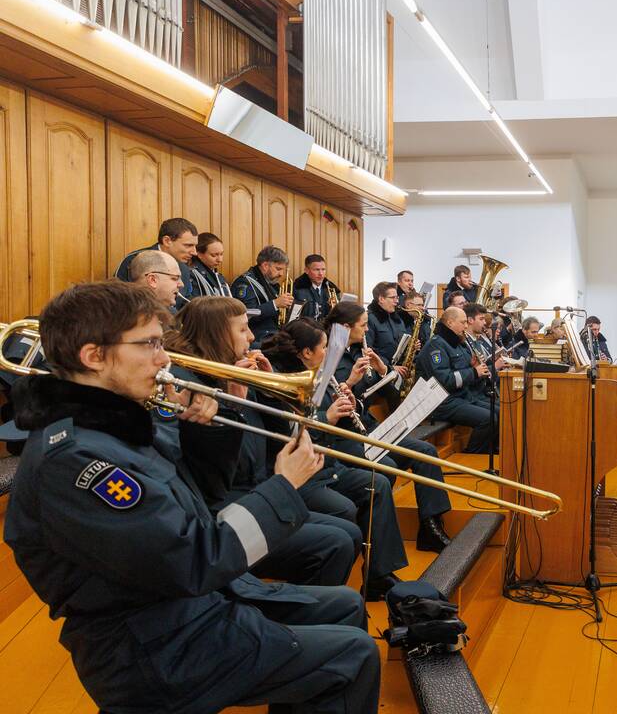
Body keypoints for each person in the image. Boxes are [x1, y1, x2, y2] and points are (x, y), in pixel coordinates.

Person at [3, 280, 379, 713]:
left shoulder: (110, 425)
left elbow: (202, 496)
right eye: (148, 345)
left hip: (187, 610)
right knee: (352, 655)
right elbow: (195, 559)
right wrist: (284, 485)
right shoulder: (77, 461)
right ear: (93, 356)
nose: (164, 359)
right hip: (153, 649)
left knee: (346, 607)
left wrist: (207, 431)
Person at [162, 297, 362, 587]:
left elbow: (278, 440)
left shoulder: (238, 369)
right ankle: (305, 612)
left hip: (256, 487)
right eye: (243, 330)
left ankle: (317, 609)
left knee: (349, 533)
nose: (253, 336)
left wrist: (271, 391)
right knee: (335, 542)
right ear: (217, 333)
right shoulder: (189, 384)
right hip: (224, 504)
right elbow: (222, 470)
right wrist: (238, 404)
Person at [262, 318, 409, 598]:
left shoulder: (317, 372)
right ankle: (327, 591)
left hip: (326, 464)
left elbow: (329, 418)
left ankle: (379, 575)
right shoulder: (285, 379)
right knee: (344, 509)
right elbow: (286, 432)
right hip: (302, 473)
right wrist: (326, 416)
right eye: (324, 347)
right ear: (306, 352)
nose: (329, 353)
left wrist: (347, 399)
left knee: (377, 482)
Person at [325, 302, 454, 552]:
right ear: (343, 327)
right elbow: (330, 404)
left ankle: (431, 527)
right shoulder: (330, 356)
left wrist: (383, 369)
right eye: (362, 326)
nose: (366, 330)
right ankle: (376, 540)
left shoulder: (357, 350)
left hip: (369, 426)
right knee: (387, 468)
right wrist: (350, 382)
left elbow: (390, 393)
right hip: (345, 435)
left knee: (426, 453)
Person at [416, 307, 497, 454]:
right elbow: (444, 380)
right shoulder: (436, 345)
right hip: (442, 402)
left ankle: (492, 450)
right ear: (450, 323)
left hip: (461, 396)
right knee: (488, 418)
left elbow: (464, 369)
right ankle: (473, 455)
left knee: (498, 411)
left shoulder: (457, 342)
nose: (466, 326)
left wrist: (475, 367)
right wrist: (474, 372)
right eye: (463, 322)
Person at [115, 217, 197, 308]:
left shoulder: (184, 267)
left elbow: (184, 302)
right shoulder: (134, 260)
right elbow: (121, 300)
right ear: (167, 241)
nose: (194, 252)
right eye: (188, 245)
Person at [233, 245, 293, 345]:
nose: (281, 274)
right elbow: (247, 314)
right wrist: (275, 304)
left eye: (283, 270)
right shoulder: (245, 283)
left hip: (272, 333)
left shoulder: (271, 282)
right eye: (278, 269)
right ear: (265, 266)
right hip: (257, 336)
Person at [365, 281, 409, 381]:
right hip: (381, 375)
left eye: (397, 297)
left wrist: (411, 346)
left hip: (399, 372)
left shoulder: (397, 319)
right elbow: (368, 350)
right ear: (381, 299)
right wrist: (390, 367)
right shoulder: (369, 318)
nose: (397, 301)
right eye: (393, 297)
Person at [294, 254, 342, 321]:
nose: (321, 273)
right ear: (306, 270)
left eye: (323, 269)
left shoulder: (332, 289)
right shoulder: (297, 288)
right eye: (316, 270)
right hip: (305, 329)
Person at [189, 232, 231, 298]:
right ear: (199, 254)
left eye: (221, 254)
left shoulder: (218, 276)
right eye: (214, 255)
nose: (220, 260)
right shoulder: (192, 275)